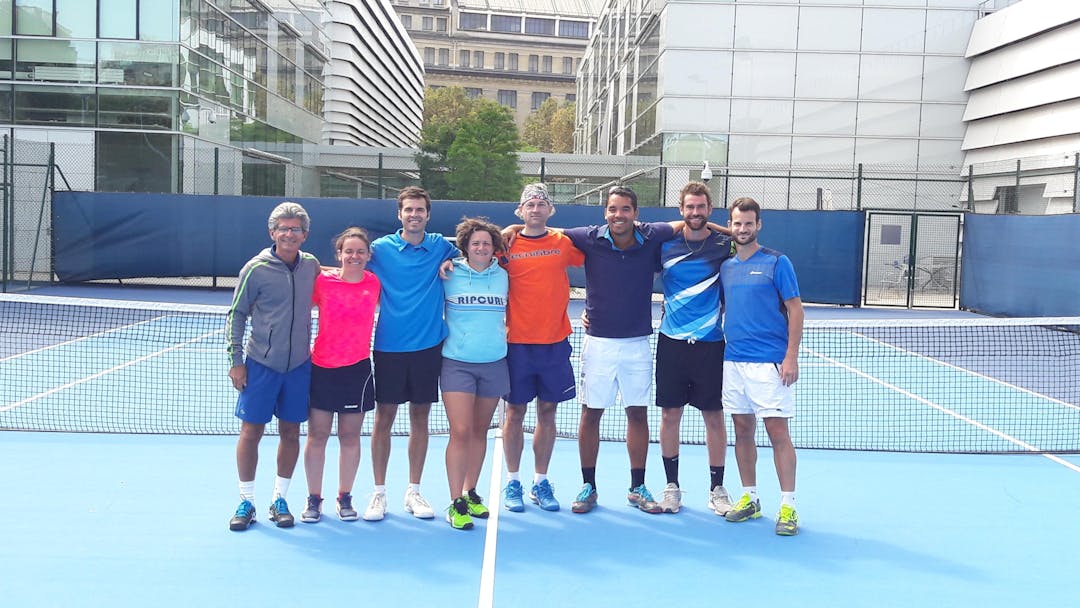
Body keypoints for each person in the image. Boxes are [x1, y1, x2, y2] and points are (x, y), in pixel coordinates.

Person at [561, 186, 680, 515]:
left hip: (637, 344)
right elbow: (546, 232)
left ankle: (637, 486)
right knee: (591, 413)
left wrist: (727, 230)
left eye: (625, 209)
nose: (618, 215)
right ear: (605, 212)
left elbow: (686, 222)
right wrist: (513, 229)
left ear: (635, 213)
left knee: (637, 413)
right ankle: (589, 486)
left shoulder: (651, 236)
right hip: (598, 343)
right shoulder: (588, 238)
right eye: (613, 209)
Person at [364, 186, 457, 521]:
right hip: (388, 347)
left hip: (428, 347)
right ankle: (378, 493)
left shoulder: (440, 246)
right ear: (399, 215)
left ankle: (413, 492)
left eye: (420, 210)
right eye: (409, 210)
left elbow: (477, 246)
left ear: (428, 215)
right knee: (383, 419)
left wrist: (449, 260)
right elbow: (352, 267)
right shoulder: (380, 250)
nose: (414, 215)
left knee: (421, 418)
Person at [226, 202, 320, 531]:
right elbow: (237, 314)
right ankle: (246, 500)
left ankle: (279, 499)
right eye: (284, 228)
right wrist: (236, 362)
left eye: (296, 229)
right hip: (260, 364)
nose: (290, 234)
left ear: (305, 235)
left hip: (299, 366)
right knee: (251, 431)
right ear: (272, 233)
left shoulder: (311, 266)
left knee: (291, 432)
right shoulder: (255, 268)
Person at [720, 197, 804, 536]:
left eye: (748, 223)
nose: (743, 229)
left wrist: (791, 356)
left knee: (777, 434)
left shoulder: (777, 262)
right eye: (737, 223)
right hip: (733, 362)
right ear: (731, 225)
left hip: (769, 363)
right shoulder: (725, 267)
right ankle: (750, 499)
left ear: (759, 225)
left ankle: (788, 507)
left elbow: (795, 310)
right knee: (742, 431)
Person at [499, 183, 584, 513]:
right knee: (514, 413)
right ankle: (513, 481)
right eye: (529, 205)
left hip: (554, 344)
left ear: (551, 210)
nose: (535, 209)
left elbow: (598, 260)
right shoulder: (505, 244)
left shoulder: (563, 244)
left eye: (541, 204)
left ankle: (540, 481)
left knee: (548, 413)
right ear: (520, 211)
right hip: (516, 344)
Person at [655, 182, 734, 516]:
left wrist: (717, 227)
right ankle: (671, 486)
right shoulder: (665, 244)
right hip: (671, 342)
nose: (695, 213)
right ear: (680, 210)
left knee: (713, 417)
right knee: (670, 415)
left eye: (701, 207)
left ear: (709, 209)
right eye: (690, 207)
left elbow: (745, 234)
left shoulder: (723, 244)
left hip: (710, 345)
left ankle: (717, 488)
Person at [300, 227, 381, 523]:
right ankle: (313, 498)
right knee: (317, 435)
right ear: (339, 254)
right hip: (321, 368)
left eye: (360, 251)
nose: (354, 256)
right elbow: (296, 304)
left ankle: (344, 496)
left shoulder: (374, 284)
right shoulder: (322, 282)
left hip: (357, 371)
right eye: (349, 251)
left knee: (350, 437)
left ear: (368, 255)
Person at [440, 218, 510, 530]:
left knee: (480, 430)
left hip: (494, 363)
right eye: (475, 243)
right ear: (466, 247)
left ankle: (470, 492)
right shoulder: (449, 274)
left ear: (494, 248)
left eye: (486, 243)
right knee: (461, 431)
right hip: (457, 363)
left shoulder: (505, 277)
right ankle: (455, 502)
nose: (481, 248)